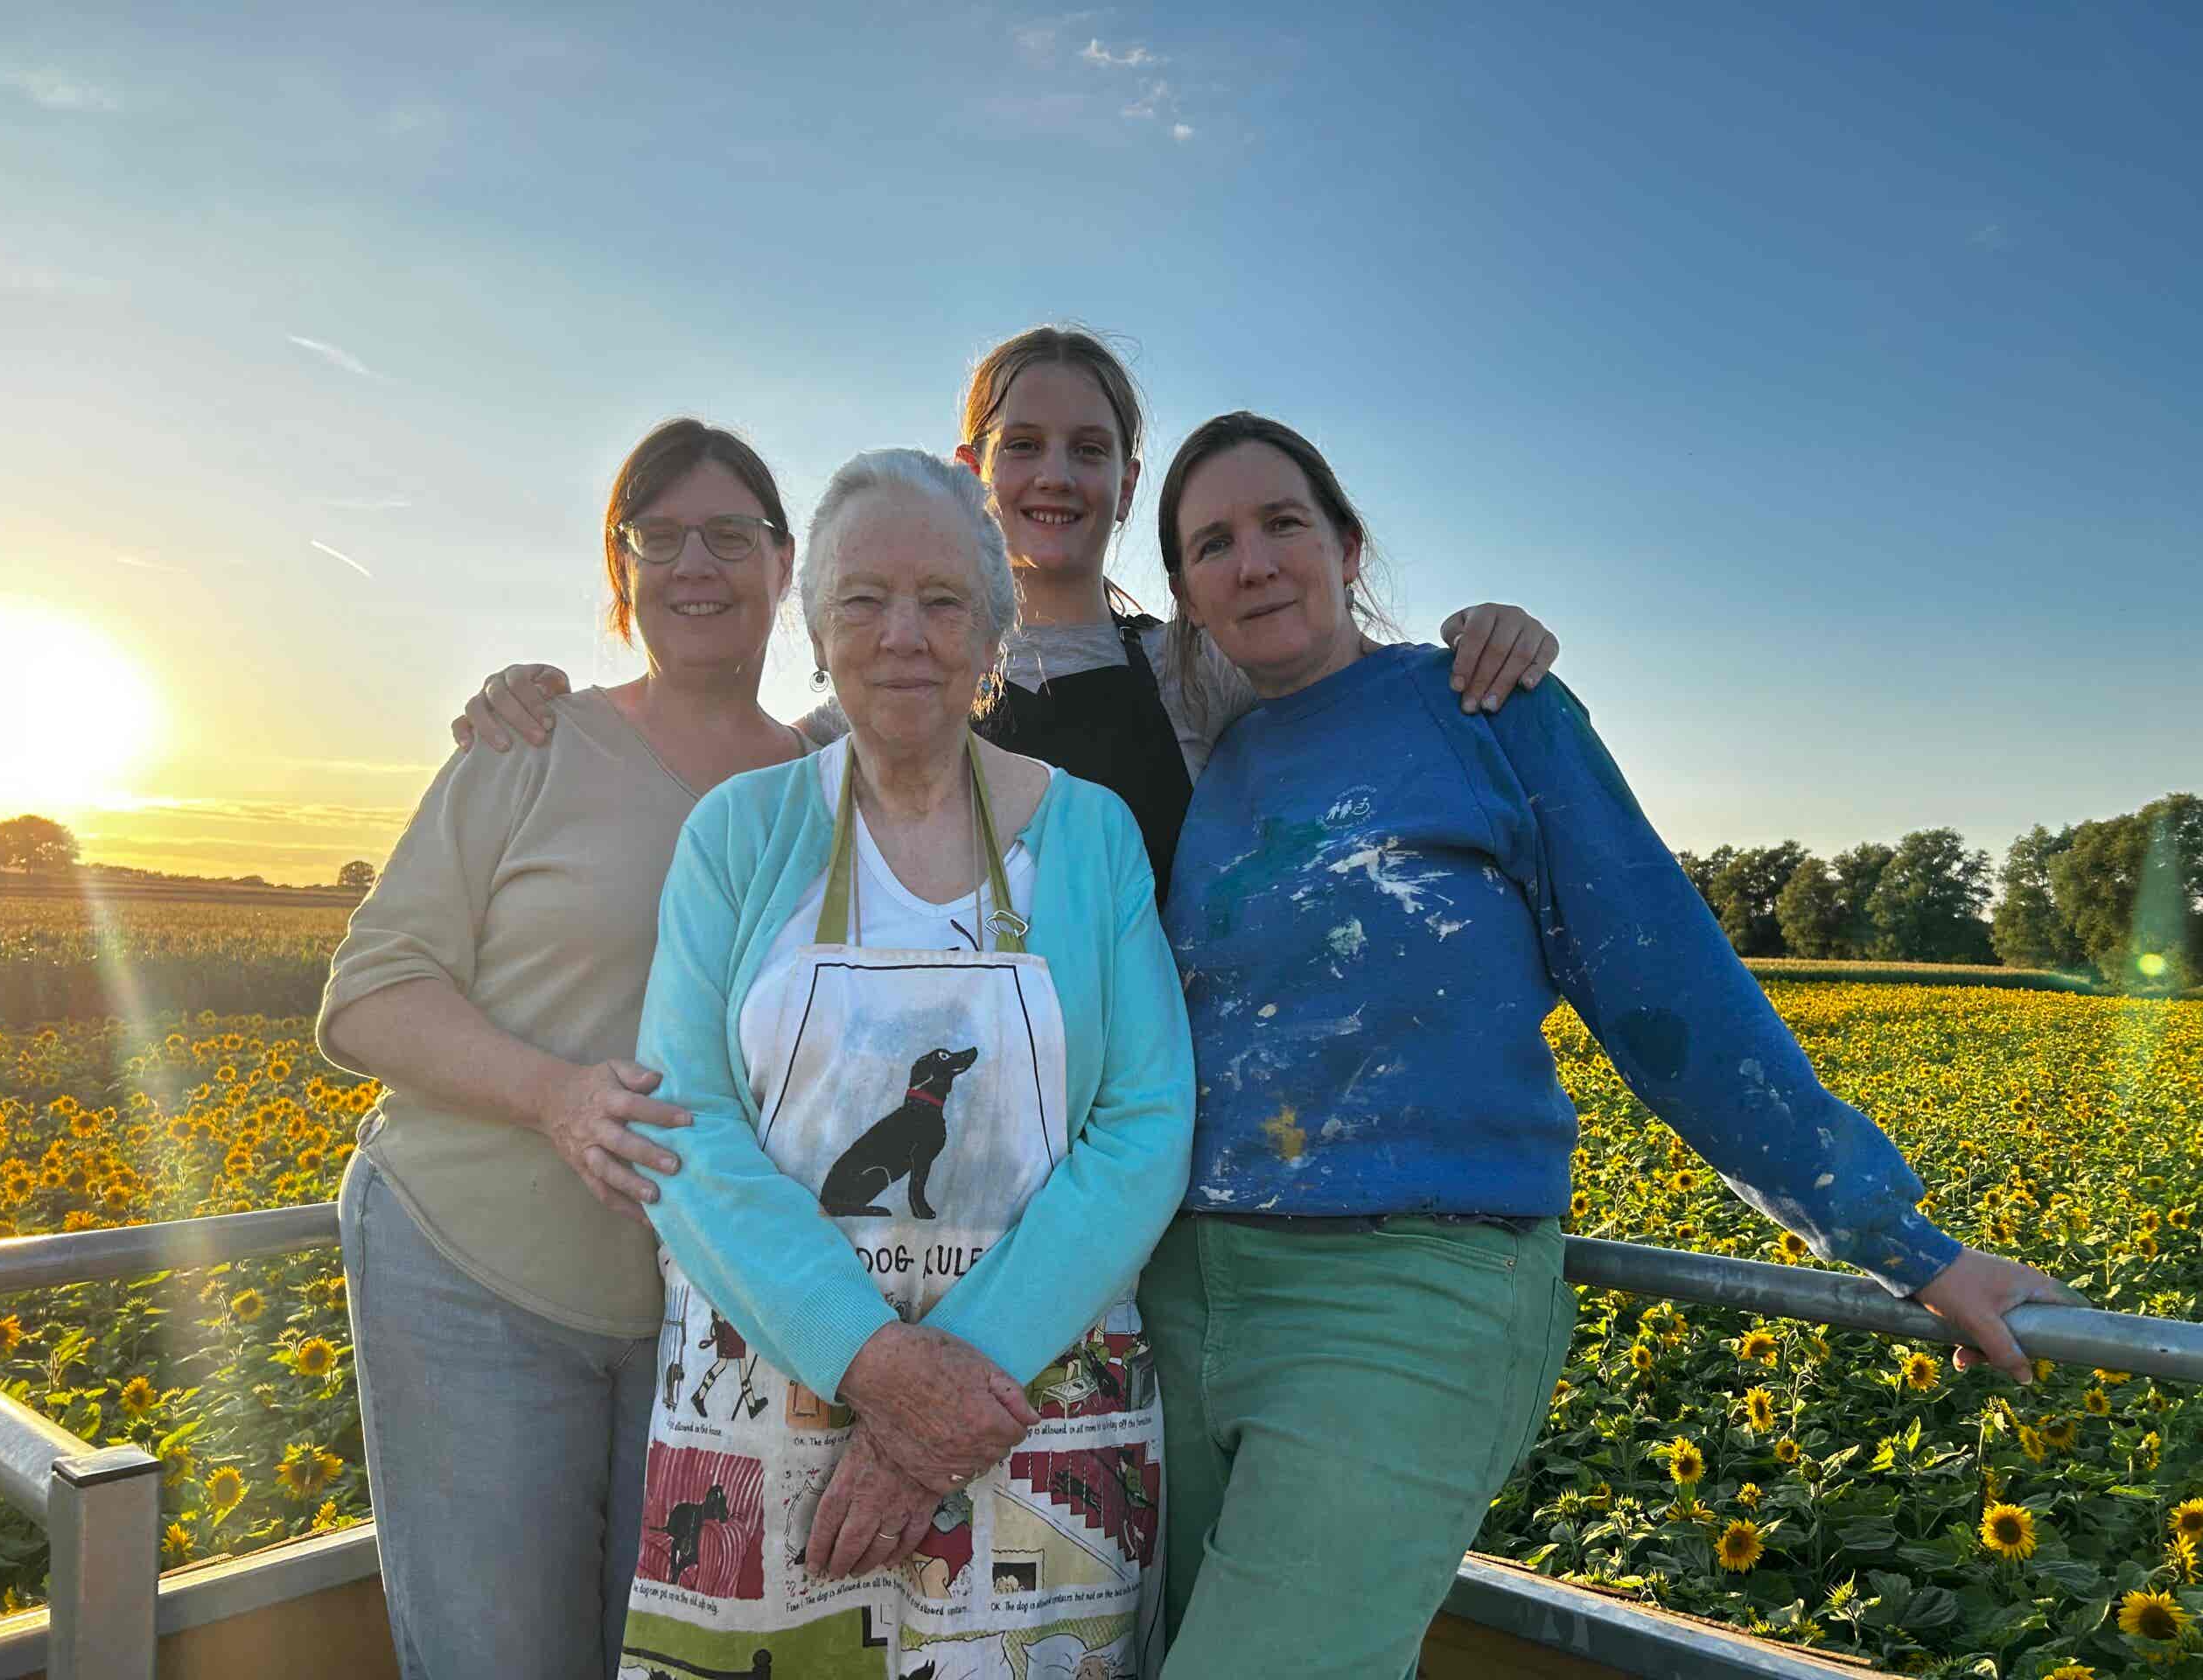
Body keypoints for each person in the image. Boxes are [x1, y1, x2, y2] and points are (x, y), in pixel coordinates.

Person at [1143, 411, 2087, 1680]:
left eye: (1282, 524)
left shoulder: (1486, 708)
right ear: (1186, 597)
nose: (1252, 560)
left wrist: (1901, 1244)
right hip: (1187, 1301)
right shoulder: (1215, 763)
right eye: (1213, 542)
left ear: (1349, 545)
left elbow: (1669, 994)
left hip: (1409, 1288)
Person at [615, 449, 1192, 1680]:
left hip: (1037, 1421)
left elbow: (1144, 1128)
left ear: (993, 632)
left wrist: (949, 1393)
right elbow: (682, 1124)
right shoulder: (739, 836)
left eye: (942, 602)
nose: (904, 635)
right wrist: (873, 1366)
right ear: (817, 631)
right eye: (864, 601)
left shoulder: (1089, 834)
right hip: (774, 1428)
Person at [452, 326, 1563, 899]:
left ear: (1129, 484)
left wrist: (1474, 641)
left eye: (1091, 451)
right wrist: (546, 710)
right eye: (1022, 446)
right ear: (970, 468)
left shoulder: (1194, 671)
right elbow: (720, 791)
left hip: (1156, 1143)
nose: (1056, 477)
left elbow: (1340, 676)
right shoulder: (879, 694)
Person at [316, 421, 810, 1679]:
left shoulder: (828, 784)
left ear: (785, 562)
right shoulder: (530, 742)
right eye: (661, 538)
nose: (697, 564)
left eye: (731, 535)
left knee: (658, 1656)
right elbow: (369, 996)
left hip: (710, 1320)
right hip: (471, 1271)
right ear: (621, 570)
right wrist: (555, 1097)